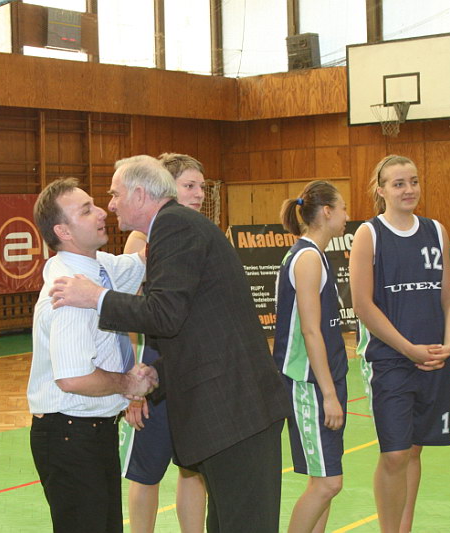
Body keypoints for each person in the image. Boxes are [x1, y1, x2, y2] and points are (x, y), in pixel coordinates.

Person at [50, 155, 291, 532]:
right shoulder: (176, 226)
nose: (110, 205)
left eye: (115, 194)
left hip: (236, 412)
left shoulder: (173, 226)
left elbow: (165, 315)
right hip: (233, 412)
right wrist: (157, 374)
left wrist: (96, 297)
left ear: (139, 194)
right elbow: (199, 328)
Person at [27, 177, 157, 533]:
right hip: (69, 437)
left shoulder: (101, 267)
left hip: (92, 432)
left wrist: (159, 204)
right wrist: (128, 383)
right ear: (63, 231)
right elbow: (73, 378)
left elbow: (145, 260)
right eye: (86, 210)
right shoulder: (67, 291)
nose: (102, 212)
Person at [349, 154, 450, 533]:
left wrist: (449, 342)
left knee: (414, 450)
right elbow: (363, 305)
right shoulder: (369, 234)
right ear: (381, 190)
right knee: (395, 454)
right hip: (390, 360)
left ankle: (403, 527)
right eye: (398, 183)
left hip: (434, 358)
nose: (409, 189)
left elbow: (448, 296)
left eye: (413, 181)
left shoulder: (436, 231)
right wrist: (408, 349)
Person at [122, 153, 208, 533]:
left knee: (192, 468)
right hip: (152, 364)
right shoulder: (140, 241)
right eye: (190, 186)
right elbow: (129, 315)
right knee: (146, 472)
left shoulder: (197, 236)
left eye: (201, 186)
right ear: (166, 189)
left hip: (189, 368)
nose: (199, 194)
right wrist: (133, 384)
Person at [273, 181, 349, 533]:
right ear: (327, 212)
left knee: (324, 481)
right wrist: (328, 394)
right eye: (343, 208)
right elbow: (310, 331)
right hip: (308, 382)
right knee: (328, 483)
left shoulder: (315, 255)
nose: (347, 216)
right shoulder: (306, 258)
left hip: (325, 378)